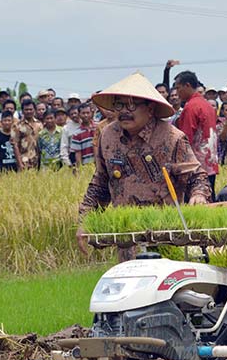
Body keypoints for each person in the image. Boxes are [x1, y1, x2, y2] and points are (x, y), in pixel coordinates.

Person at [77, 72, 211, 260]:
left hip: (167, 234)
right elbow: (100, 182)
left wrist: (198, 196)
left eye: (131, 105)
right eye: (119, 104)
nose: (124, 111)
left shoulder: (172, 138)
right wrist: (85, 220)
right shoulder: (108, 136)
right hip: (127, 236)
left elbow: (197, 176)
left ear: (150, 108)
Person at [174, 70, 219, 200]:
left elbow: (185, 139)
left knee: (195, 202)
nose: (177, 92)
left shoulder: (191, 107)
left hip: (195, 166)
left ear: (187, 85)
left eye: (178, 87)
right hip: (210, 163)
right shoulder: (207, 104)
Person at [11, 98, 42, 170]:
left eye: (31, 109)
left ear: (34, 110)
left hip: (38, 161)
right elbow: (15, 145)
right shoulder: (16, 126)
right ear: (22, 111)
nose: (29, 111)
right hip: (24, 161)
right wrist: (20, 164)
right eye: (26, 109)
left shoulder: (39, 124)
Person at [70, 103, 96, 167]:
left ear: (91, 113)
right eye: (83, 113)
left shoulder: (98, 127)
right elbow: (78, 152)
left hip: (99, 163)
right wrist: (79, 168)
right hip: (86, 165)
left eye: (88, 113)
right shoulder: (77, 133)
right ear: (79, 115)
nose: (86, 115)